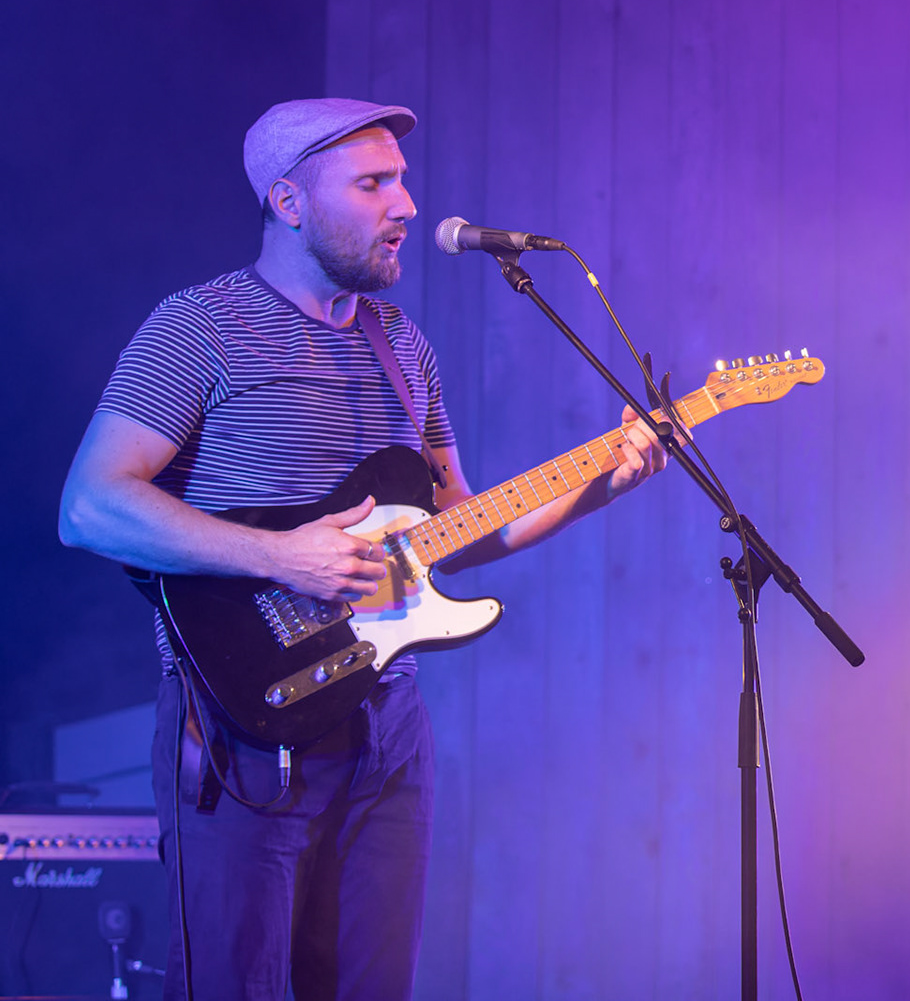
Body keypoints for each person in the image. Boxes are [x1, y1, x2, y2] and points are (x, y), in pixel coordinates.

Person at [57, 98, 666, 1000]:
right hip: (240, 724)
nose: (408, 206)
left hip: (386, 727)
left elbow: (456, 526)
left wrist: (601, 484)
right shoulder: (199, 328)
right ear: (290, 203)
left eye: (403, 181)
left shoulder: (401, 348)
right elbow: (90, 507)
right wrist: (279, 557)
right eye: (374, 183)